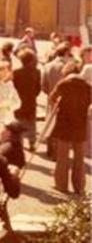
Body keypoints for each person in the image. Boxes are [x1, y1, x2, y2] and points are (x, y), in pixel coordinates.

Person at [49, 62, 91, 194]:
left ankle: (61, 185)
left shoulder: (63, 84)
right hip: (80, 125)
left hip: (64, 124)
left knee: (62, 156)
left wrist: (59, 103)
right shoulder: (87, 86)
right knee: (79, 157)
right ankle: (79, 187)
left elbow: (52, 98)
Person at [42, 42, 71, 159]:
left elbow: (43, 86)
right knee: (61, 126)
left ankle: (50, 150)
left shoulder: (48, 66)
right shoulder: (68, 67)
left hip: (51, 98)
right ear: (66, 53)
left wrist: (50, 93)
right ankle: (58, 153)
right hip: (65, 101)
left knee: (50, 123)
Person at [13, 48, 41, 151]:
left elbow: (13, 87)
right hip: (31, 100)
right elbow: (38, 88)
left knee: (19, 122)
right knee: (31, 123)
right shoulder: (37, 72)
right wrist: (33, 95)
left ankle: (20, 143)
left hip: (19, 101)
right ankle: (32, 143)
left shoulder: (16, 72)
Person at [0, 61, 21, 140]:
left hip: (9, 118)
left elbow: (18, 102)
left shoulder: (10, 84)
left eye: (7, 71)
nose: (6, 73)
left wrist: (9, 106)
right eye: (3, 71)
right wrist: (9, 102)